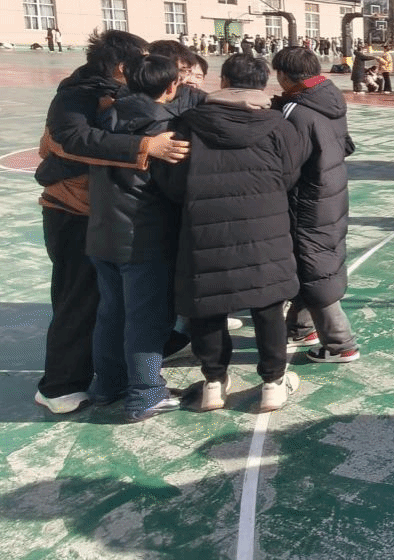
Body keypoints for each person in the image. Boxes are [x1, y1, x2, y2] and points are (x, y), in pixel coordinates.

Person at [33, 30, 189, 414]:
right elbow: (73, 140)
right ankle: (60, 385)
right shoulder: (78, 95)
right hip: (72, 212)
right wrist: (145, 146)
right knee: (79, 299)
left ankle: (116, 377)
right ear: (122, 66)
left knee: (113, 303)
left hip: (102, 212)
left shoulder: (115, 93)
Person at [152, 53, 305, 413]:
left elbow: (171, 182)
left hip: (204, 228)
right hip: (265, 228)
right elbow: (289, 175)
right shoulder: (279, 126)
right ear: (263, 85)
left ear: (222, 83)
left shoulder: (188, 124)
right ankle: (273, 383)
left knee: (207, 305)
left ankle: (213, 383)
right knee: (267, 304)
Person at [86, 55, 187, 421]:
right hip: (143, 238)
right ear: (172, 86)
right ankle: (145, 393)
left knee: (111, 313)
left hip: (102, 234)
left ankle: (107, 385)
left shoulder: (102, 120)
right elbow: (176, 189)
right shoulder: (166, 131)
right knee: (146, 318)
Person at [270, 47, 360, 364]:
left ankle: (340, 343)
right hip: (330, 190)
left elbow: (286, 164)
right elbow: (345, 144)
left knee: (314, 266)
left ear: (284, 75)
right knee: (312, 262)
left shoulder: (296, 110)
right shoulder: (327, 98)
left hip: (307, 197)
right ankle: (300, 326)